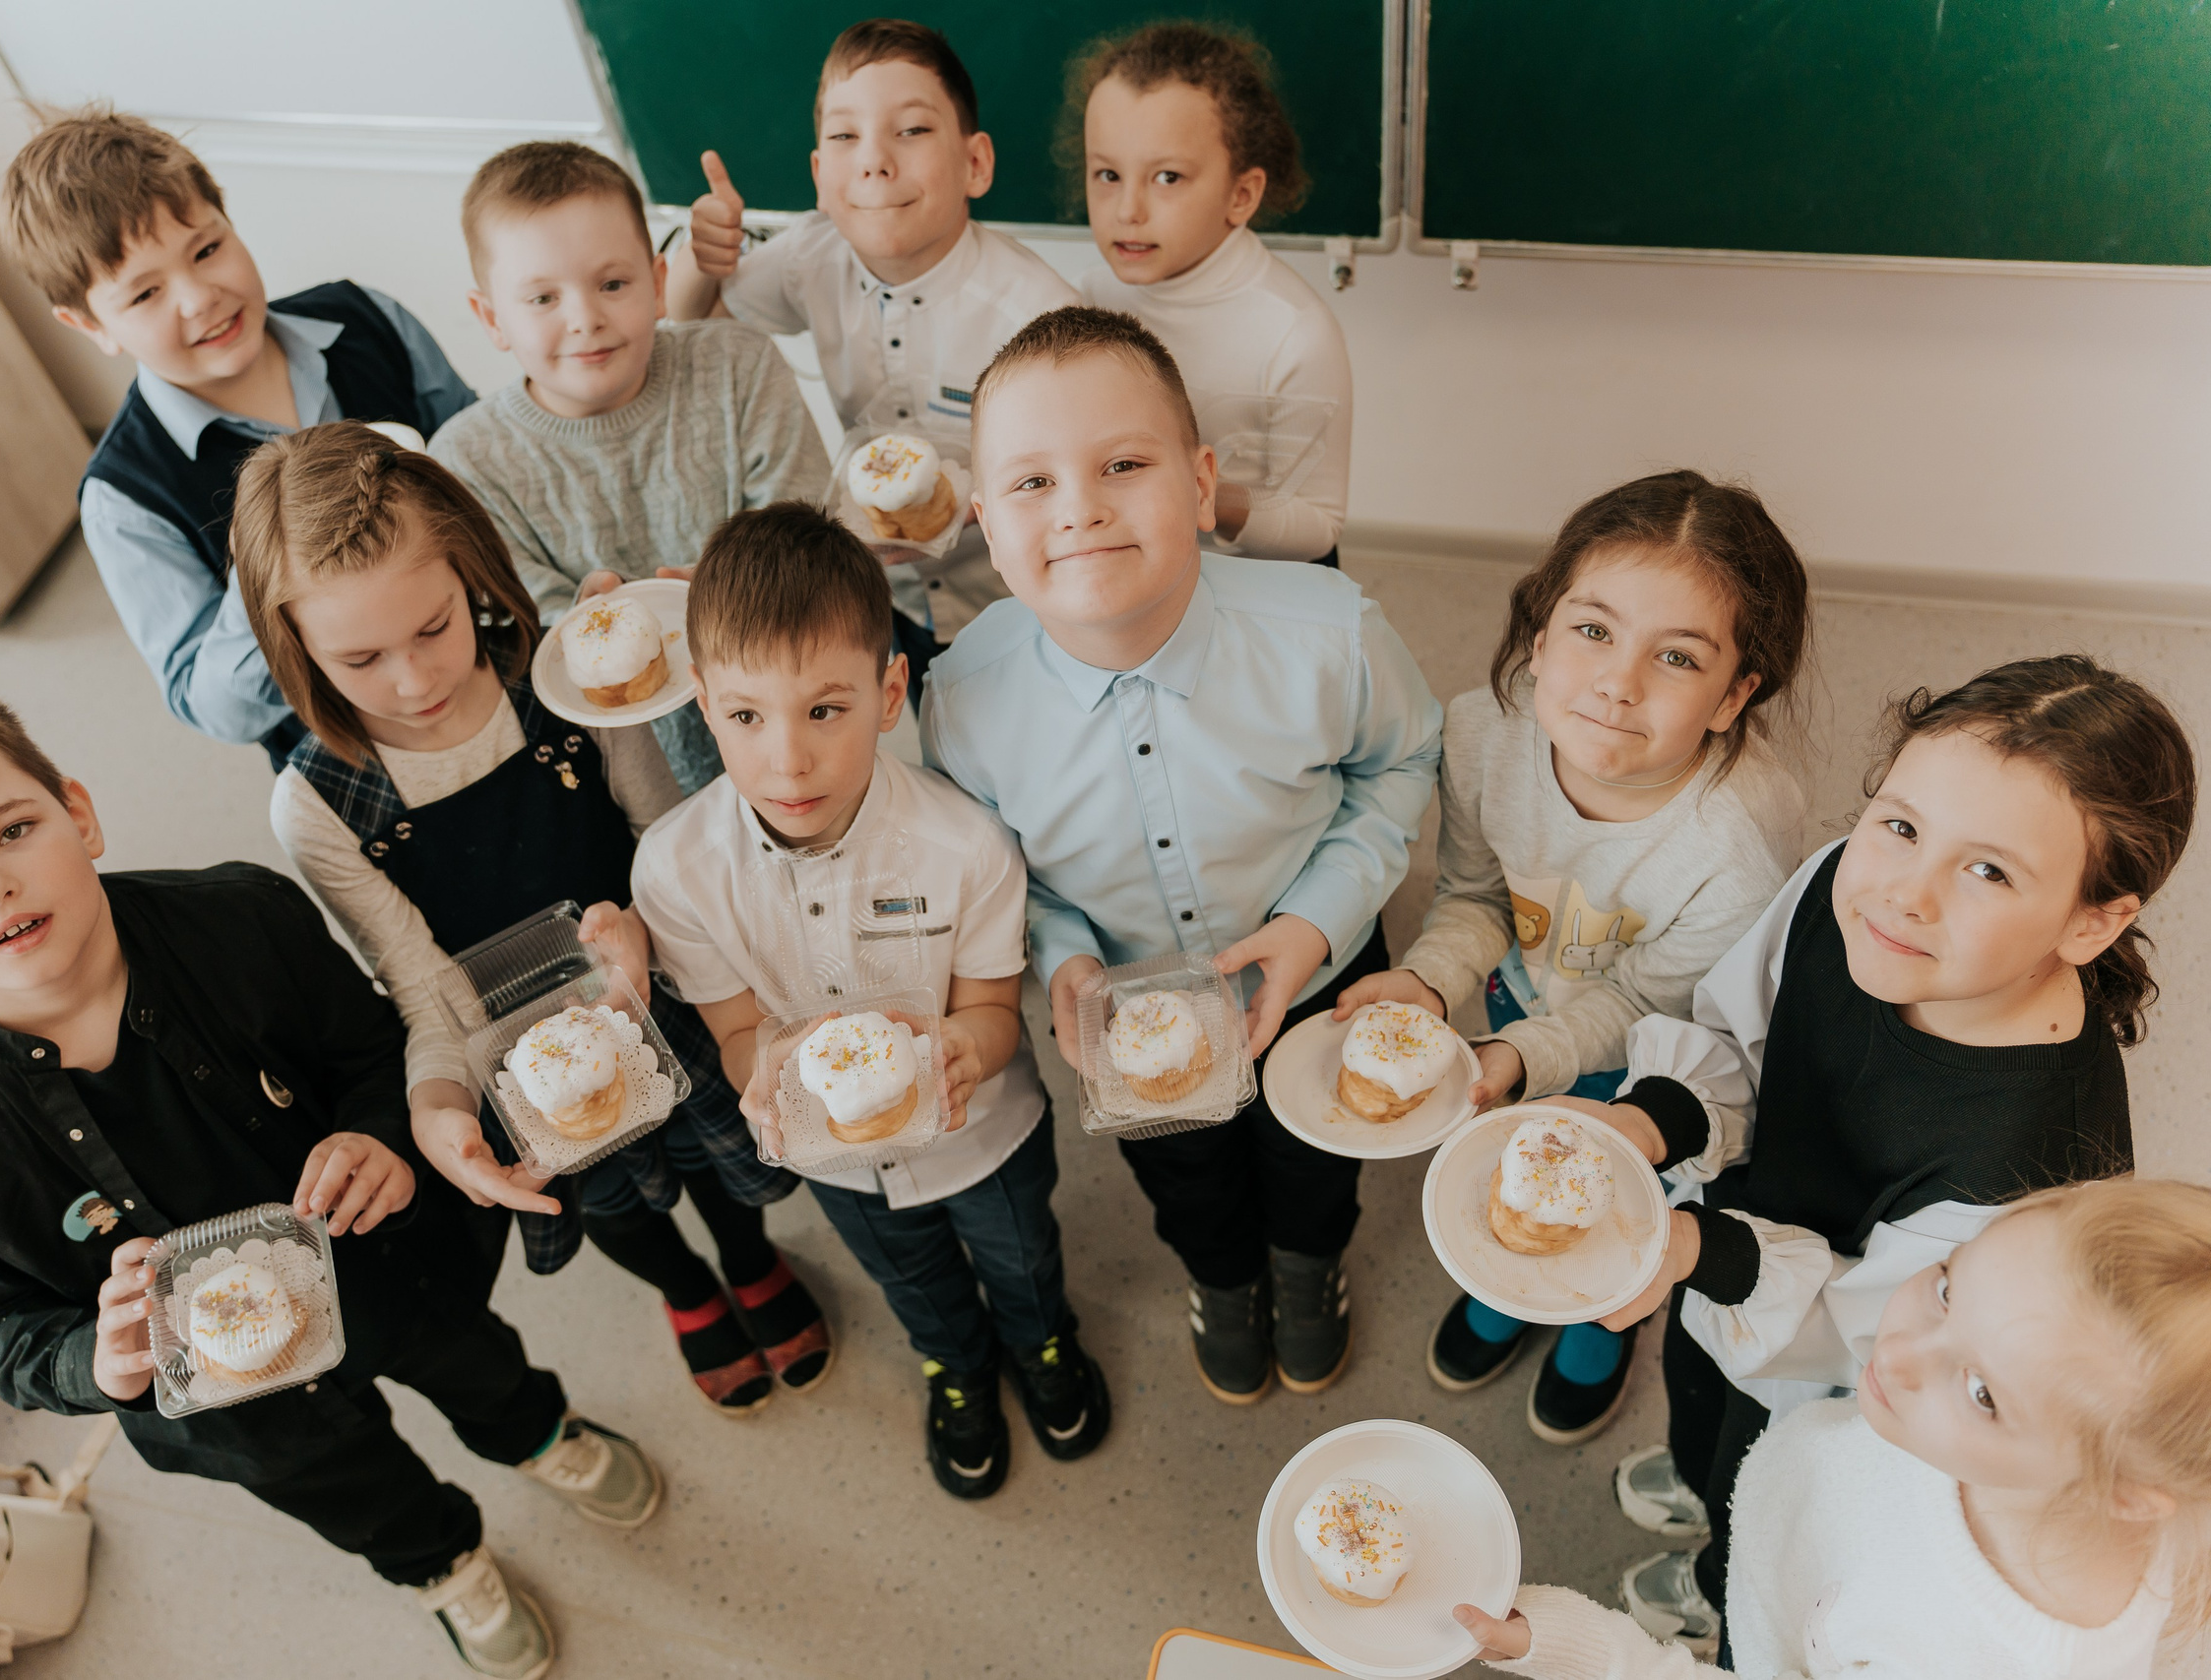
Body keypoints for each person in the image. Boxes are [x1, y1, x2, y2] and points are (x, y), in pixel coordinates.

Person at [0, 685, 662, 1678]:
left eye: (15, 829)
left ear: (79, 816)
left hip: (385, 1265)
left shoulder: (241, 917)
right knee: (346, 1485)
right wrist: (100, 1361)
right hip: (234, 1406)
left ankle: (539, 1433)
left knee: (477, 1361)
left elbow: (374, 1053)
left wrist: (380, 1133)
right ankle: (442, 1563)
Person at [1578, 654, 2194, 1652]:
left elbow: (1869, 1340)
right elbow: (1741, 1033)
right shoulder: (1843, 889)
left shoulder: (2036, 1168)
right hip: (1725, 1253)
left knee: (1767, 1478)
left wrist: (1692, 1253)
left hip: (1840, 1382)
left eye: (1987, 870)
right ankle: (1702, 1483)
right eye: (1901, 825)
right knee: (1697, 1394)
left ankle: (1721, 1576)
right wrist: (1653, 1123)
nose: (1905, 893)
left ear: (2094, 921)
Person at [234, 423, 829, 1417]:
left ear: (471, 569)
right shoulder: (318, 803)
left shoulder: (563, 683)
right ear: (293, 647)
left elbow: (663, 839)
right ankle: (686, 1290)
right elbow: (420, 987)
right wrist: (436, 1107)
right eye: (362, 658)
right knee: (602, 1198)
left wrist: (643, 924)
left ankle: (747, 1259)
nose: (415, 681)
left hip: (661, 988)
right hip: (512, 1053)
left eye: (433, 628)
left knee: (711, 1157)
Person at [923, 305, 1443, 1404]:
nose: (1081, 510)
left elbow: (1399, 768)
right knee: (1183, 1174)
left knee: (1318, 1150)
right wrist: (1059, 957)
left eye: (1123, 463)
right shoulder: (961, 700)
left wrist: (1314, 926)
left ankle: (1308, 1269)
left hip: (1316, 953)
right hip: (1123, 994)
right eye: (1030, 484)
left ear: (1201, 485)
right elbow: (992, 866)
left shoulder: (1331, 634)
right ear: (981, 520)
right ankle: (1222, 1277)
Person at [631, 502, 1109, 1499]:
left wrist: (958, 1054)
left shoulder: (965, 845)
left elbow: (989, 1009)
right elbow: (730, 1027)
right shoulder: (674, 868)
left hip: (986, 1134)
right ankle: (956, 1365)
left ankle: (1043, 1343)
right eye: (748, 715)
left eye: (825, 708)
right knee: (910, 1277)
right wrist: (760, 1077)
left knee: (1021, 1258)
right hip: (839, 1162)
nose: (788, 760)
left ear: (891, 691)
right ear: (702, 702)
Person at [1332, 470, 1809, 1446]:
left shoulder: (1738, 844)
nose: (1617, 683)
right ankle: (1507, 1287)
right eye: (1593, 631)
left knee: (1618, 1204)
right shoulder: (1481, 734)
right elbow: (1474, 896)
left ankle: (1595, 1318)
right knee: (1522, 1156)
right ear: (1541, 632)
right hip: (1524, 1005)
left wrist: (1523, 1059)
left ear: (1735, 695)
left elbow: (1647, 999)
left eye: (1676, 657)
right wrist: (1432, 982)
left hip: (1658, 1058)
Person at [1458, 1176, 2206, 1679]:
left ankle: (1708, 1595)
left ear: (2132, 1492)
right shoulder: (1987, 1436)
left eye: (1982, 1391)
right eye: (1949, 1285)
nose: (1899, 1348)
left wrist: (1573, 1647)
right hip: (1800, 1528)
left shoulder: (1968, 1657)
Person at [0, 106, 475, 765]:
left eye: (208, 249)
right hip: (362, 760)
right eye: (144, 295)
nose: (199, 298)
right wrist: (264, 571)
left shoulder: (369, 320)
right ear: (88, 326)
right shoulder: (126, 499)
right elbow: (215, 706)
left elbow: (486, 459)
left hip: (484, 659)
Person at [668, 18, 1077, 675]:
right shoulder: (811, 254)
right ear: (820, 174)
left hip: (1025, 604)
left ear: (975, 162)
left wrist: (938, 518)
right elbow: (699, 325)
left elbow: (1072, 475)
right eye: (844, 136)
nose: (874, 160)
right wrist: (699, 257)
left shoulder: (1043, 316)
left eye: (912, 130)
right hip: (899, 605)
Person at [428, 140, 829, 791]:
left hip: (791, 730)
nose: (586, 319)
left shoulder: (740, 364)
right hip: (626, 783)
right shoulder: (467, 461)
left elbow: (811, 528)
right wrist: (576, 622)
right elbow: (527, 633)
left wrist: (747, 581)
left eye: (613, 284)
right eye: (542, 299)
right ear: (490, 317)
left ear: (658, 282)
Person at [1066, 23, 1351, 565]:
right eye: (1107, 173)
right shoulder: (1084, 298)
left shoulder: (1295, 331)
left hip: (1257, 590)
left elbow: (1317, 525)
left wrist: (1195, 489)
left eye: (1168, 177)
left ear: (1241, 194)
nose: (1128, 210)